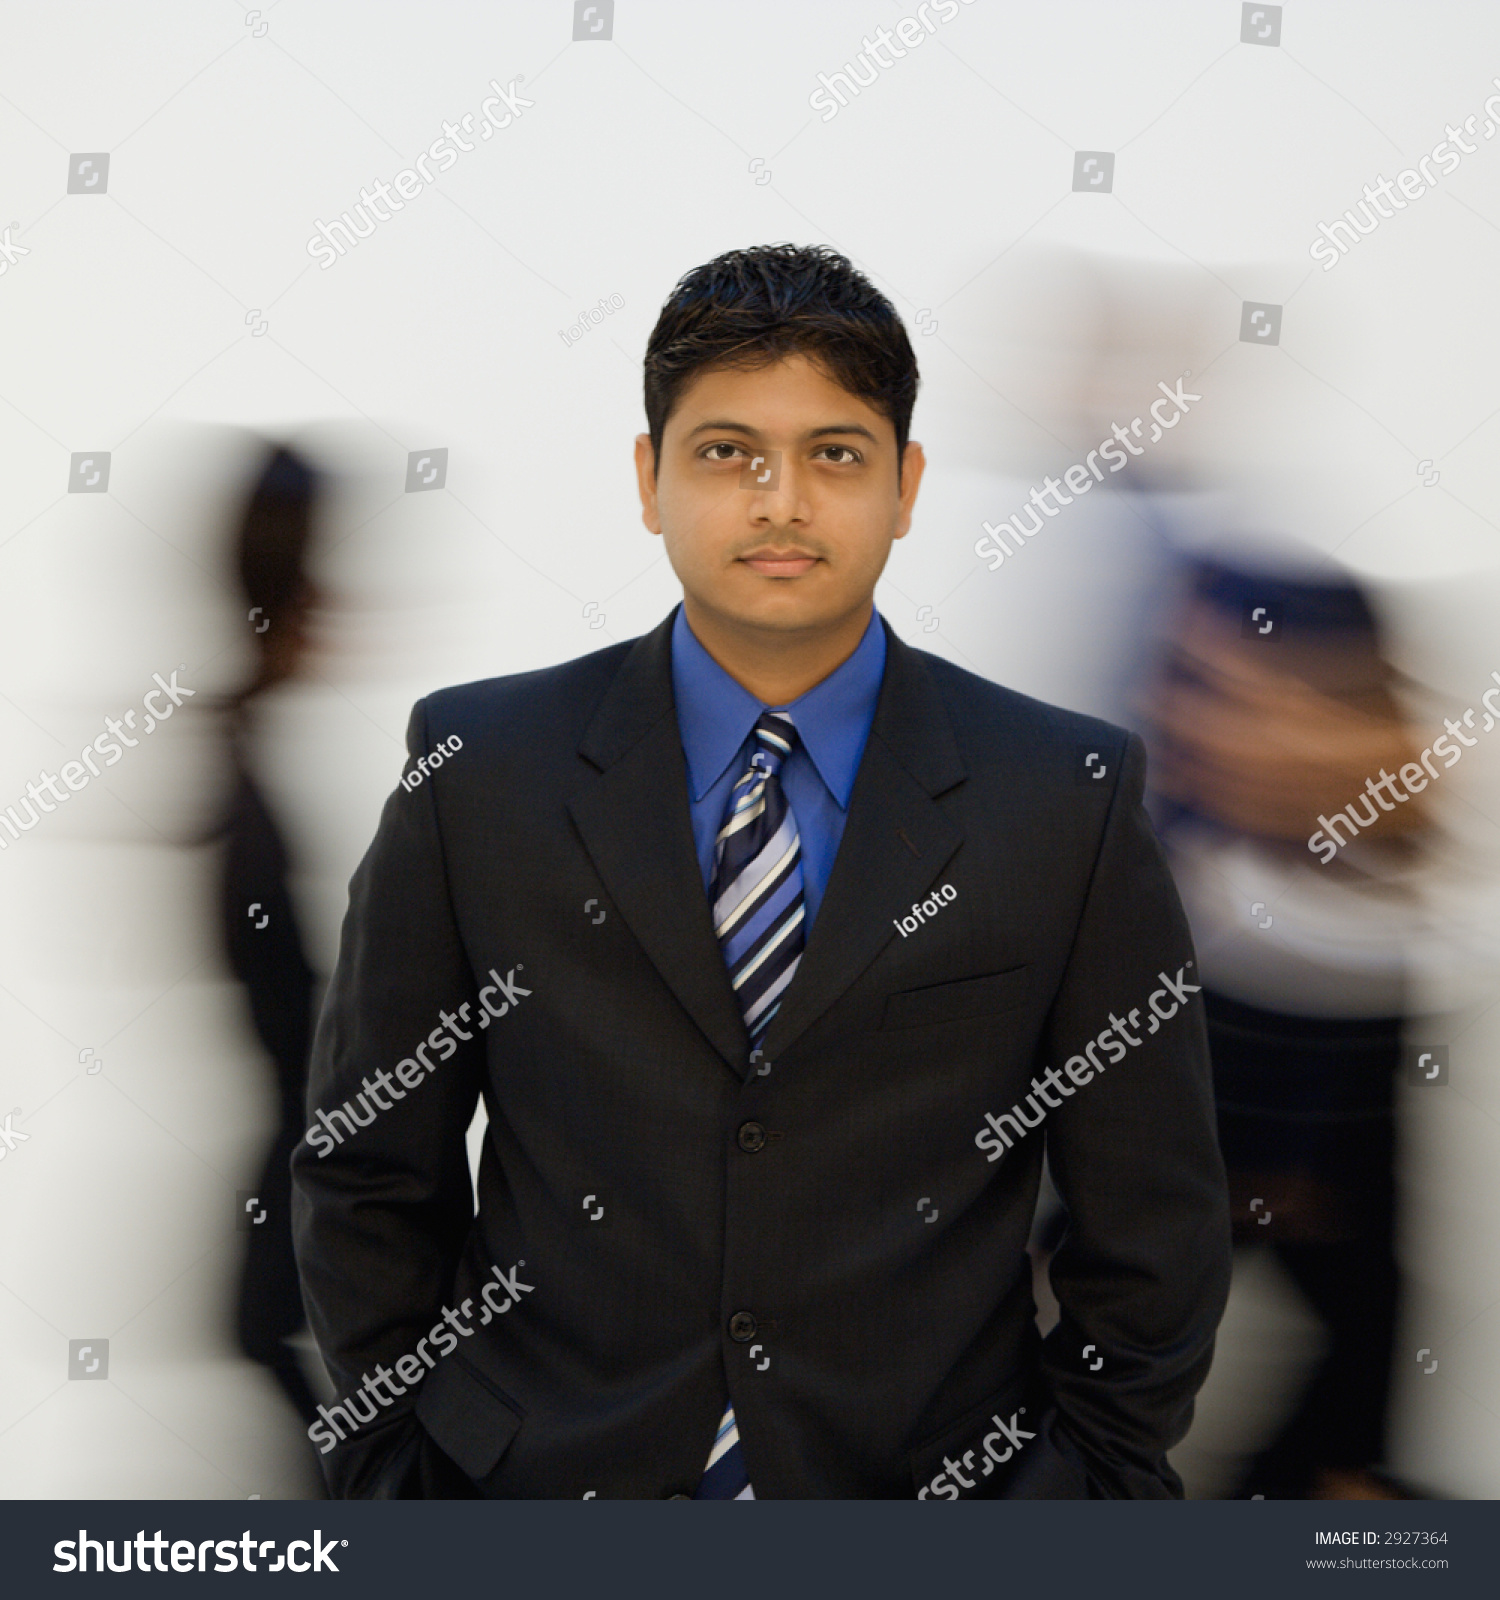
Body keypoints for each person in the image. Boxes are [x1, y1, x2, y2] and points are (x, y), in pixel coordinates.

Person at [290, 243, 1231, 1499]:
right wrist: (401, 1474)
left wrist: (1075, 1490)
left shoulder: (1066, 801)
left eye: (835, 454)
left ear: (906, 486)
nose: (781, 501)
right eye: (727, 452)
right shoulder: (480, 772)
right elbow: (368, 1166)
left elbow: (1155, 1222)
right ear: (650, 479)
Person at [215, 444, 325, 1443]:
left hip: (312, 1108)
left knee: (261, 1329)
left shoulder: (234, 774)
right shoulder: (231, 772)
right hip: (303, 1108)